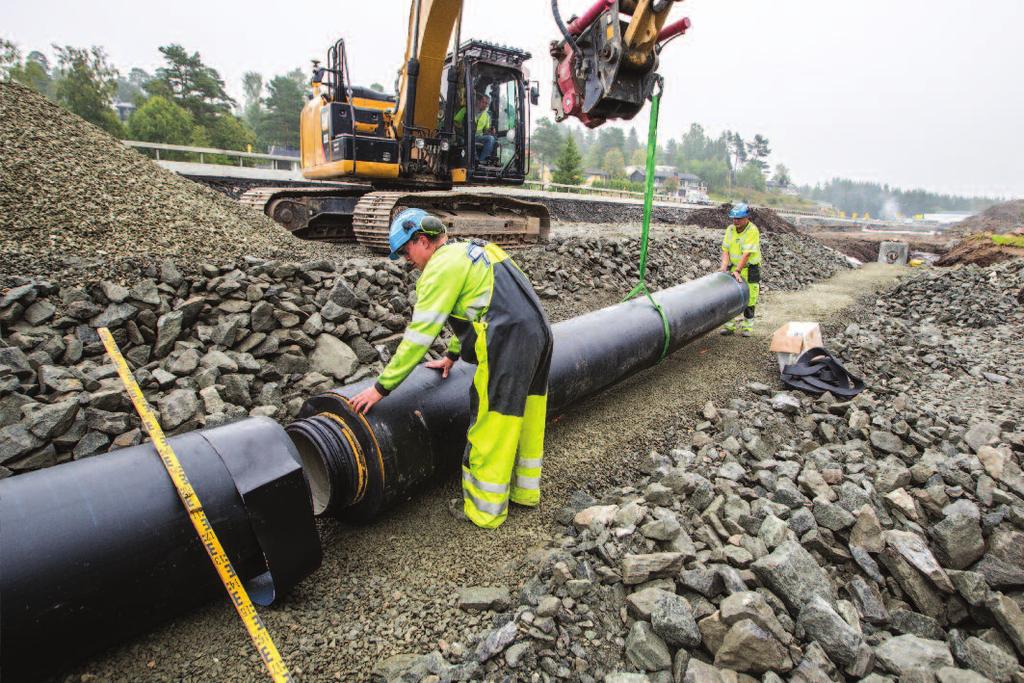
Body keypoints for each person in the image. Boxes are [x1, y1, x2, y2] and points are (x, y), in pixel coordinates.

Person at [349, 208, 553, 529]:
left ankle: (484, 511)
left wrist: (381, 388)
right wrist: (452, 356)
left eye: (406, 250)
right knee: (527, 415)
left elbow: (418, 338)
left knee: (491, 425)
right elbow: (477, 311)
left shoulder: (439, 268)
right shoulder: (475, 250)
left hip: (507, 342)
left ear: (423, 241)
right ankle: (525, 493)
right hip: (539, 333)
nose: (407, 259)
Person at [718, 202, 761, 336]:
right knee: (731, 296)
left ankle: (747, 328)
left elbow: (746, 253)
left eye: (739, 218)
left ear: (747, 217)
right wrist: (724, 266)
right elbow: (725, 249)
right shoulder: (730, 230)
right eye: (734, 218)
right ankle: (730, 327)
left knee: (751, 298)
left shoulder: (752, 230)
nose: (735, 221)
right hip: (734, 267)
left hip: (750, 269)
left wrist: (737, 270)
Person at [454, 92, 496, 164]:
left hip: (478, 137)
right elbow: (455, 121)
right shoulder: (466, 110)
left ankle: (481, 162)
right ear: (479, 102)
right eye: (484, 102)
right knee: (469, 139)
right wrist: (461, 127)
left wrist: (490, 131)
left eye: (487, 104)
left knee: (491, 139)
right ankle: (474, 160)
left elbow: (485, 130)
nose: (485, 105)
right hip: (465, 136)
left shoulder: (486, 116)